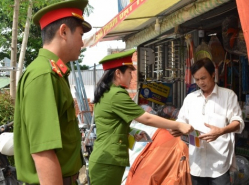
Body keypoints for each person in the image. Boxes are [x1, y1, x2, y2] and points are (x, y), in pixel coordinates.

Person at [13, 1, 92, 184]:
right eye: (80, 35)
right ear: (63, 32)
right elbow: (43, 153)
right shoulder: (44, 76)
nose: (82, 42)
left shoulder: (55, 73)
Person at [88, 49, 194, 185]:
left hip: (105, 159)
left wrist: (133, 132)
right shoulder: (116, 95)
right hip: (109, 162)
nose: (132, 77)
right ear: (118, 73)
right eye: (129, 73)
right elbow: (147, 118)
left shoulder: (106, 93)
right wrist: (178, 125)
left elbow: (111, 125)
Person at [169, 57, 244, 185]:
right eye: (197, 79)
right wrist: (177, 129)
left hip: (219, 163)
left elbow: (238, 122)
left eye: (203, 78)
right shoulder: (190, 98)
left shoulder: (228, 95)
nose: (201, 83)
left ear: (213, 74)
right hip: (196, 163)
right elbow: (181, 121)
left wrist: (221, 131)